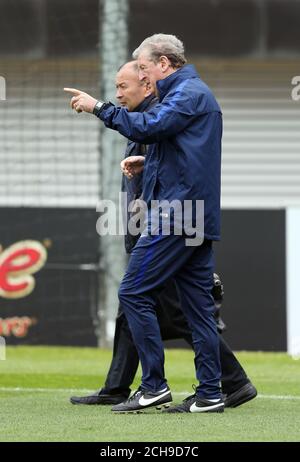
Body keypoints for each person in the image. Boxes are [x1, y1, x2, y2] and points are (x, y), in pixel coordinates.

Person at [64, 34, 248, 414]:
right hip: (195, 213)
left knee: (132, 294)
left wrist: (97, 106)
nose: (145, 77)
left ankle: (153, 386)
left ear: (164, 63)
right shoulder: (195, 95)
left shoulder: (186, 94)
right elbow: (187, 153)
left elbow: (149, 127)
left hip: (177, 215)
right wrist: (148, 164)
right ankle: (212, 394)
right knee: (197, 309)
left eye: (145, 68)